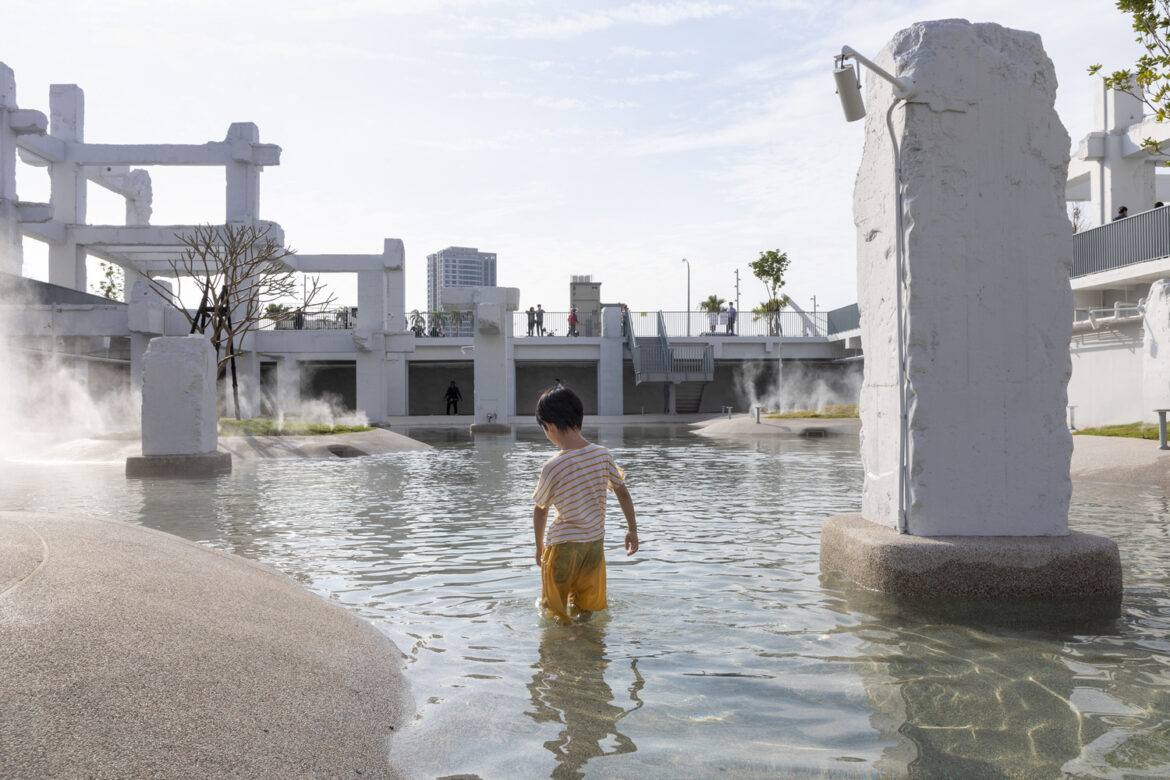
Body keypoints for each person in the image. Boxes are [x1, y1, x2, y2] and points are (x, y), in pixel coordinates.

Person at [531, 386, 638, 626]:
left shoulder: (553, 466)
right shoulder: (602, 455)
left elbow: (541, 509)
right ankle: (586, 643)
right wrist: (632, 529)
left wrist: (539, 546)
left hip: (563, 547)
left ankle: (558, 650)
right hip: (594, 546)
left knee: (553, 609)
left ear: (549, 426)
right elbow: (622, 491)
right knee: (587, 607)